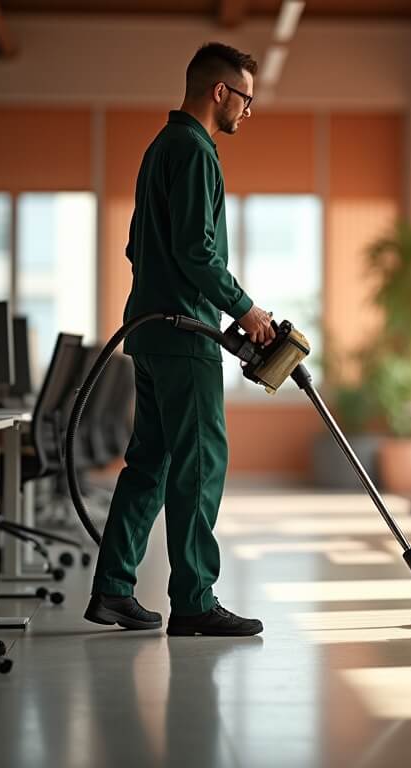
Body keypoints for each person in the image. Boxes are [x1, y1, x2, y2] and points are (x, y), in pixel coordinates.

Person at [84, 42, 274, 637]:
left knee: (150, 463)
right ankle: (194, 601)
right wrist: (247, 310)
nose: (248, 109)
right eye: (245, 97)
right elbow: (198, 252)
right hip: (183, 332)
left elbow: (138, 247)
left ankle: (114, 590)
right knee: (198, 465)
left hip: (150, 330)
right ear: (220, 91)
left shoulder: (160, 149)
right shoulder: (194, 151)